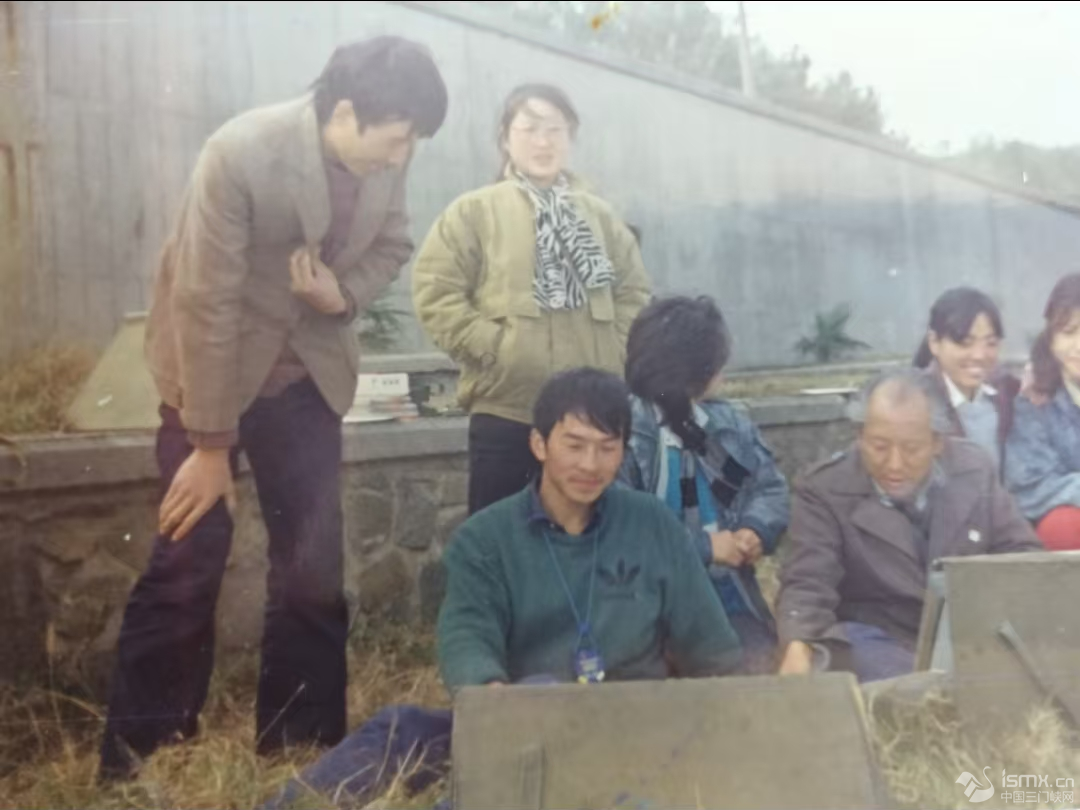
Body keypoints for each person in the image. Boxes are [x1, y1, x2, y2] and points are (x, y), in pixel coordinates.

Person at [98, 38, 448, 781]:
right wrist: (209, 445)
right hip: (209, 374)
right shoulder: (240, 152)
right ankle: (141, 762)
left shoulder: (391, 151)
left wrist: (341, 294)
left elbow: (394, 243)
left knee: (311, 571)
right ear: (345, 112)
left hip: (305, 381)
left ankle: (303, 754)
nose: (403, 156)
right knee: (188, 558)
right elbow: (205, 301)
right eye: (396, 139)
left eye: (412, 142)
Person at [259, 368, 742, 809]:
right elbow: (467, 631)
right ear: (539, 444)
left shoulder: (651, 523)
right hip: (524, 719)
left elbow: (711, 647)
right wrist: (492, 697)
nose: (590, 463)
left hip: (629, 726)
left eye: (606, 447)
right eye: (574, 445)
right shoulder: (486, 538)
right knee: (403, 730)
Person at [412, 84, 652, 515]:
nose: (543, 142)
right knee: (501, 537)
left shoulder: (600, 216)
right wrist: (496, 348)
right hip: (509, 410)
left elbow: (633, 293)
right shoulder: (474, 211)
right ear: (505, 138)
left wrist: (616, 352)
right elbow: (436, 291)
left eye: (555, 130)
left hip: (592, 417)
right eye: (529, 129)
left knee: (590, 536)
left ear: (570, 137)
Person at [776, 369, 1041, 683]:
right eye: (879, 446)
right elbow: (808, 580)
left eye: (912, 449)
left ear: (938, 442)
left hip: (967, 634)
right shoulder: (824, 489)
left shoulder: (974, 468)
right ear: (859, 436)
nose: (894, 464)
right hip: (879, 638)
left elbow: (1021, 554)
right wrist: (799, 642)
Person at [619, 296, 789, 674]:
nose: (723, 371)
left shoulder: (726, 425)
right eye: (718, 363)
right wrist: (705, 547)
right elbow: (623, 534)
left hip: (724, 597)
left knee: (758, 676)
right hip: (642, 604)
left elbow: (768, 488)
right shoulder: (621, 434)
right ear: (693, 372)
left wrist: (755, 528)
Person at [1006, 273, 1080, 551]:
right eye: (1069, 332)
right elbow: (1030, 487)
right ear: (1051, 337)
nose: (1079, 346)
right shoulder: (1034, 399)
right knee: (1061, 526)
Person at [912, 287, 1018, 470]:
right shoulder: (914, 404)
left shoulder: (1007, 392)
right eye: (965, 343)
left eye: (990, 343)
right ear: (934, 342)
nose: (979, 355)